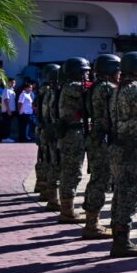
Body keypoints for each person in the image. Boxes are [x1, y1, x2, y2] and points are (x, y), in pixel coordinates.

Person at [106, 51, 137, 258]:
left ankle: (118, 235)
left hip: (117, 145)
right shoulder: (135, 90)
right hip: (130, 148)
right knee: (130, 193)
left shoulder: (117, 90)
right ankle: (122, 241)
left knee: (119, 191)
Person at [82, 54, 120, 240]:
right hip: (103, 139)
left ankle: (91, 220)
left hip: (96, 137)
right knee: (100, 179)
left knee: (97, 178)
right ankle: (92, 224)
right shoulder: (107, 88)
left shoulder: (96, 86)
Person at [56, 57, 92, 224]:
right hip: (72, 134)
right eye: (85, 72)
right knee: (72, 172)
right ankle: (67, 211)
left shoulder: (68, 86)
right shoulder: (73, 87)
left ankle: (66, 208)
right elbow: (92, 92)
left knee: (70, 171)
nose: (87, 75)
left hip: (73, 133)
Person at [36, 64, 61, 209]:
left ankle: (43, 187)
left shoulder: (42, 89)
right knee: (53, 161)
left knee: (44, 158)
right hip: (50, 129)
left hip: (43, 128)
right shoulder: (51, 91)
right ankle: (51, 196)